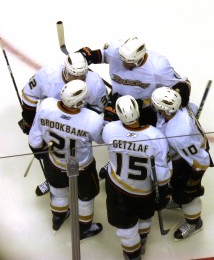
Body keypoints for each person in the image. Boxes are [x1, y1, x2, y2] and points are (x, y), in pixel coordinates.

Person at [77, 37, 191, 178]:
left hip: (145, 110)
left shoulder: (158, 67)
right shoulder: (116, 51)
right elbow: (100, 55)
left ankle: (143, 164)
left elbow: (183, 85)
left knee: (139, 141)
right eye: (122, 59)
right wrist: (86, 56)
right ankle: (116, 162)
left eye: (128, 62)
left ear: (139, 59)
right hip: (118, 103)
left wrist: (146, 102)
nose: (123, 63)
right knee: (117, 137)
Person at [19, 52, 108, 196]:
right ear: (65, 71)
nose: (79, 79)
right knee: (54, 156)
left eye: (83, 75)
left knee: (76, 156)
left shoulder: (95, 83)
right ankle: (53, 179)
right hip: (52, 124)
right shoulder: (48, 74)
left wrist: (83, 121)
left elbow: (99, 108)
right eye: (75, 75)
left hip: (77, 127)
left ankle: (60, 181)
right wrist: (29, 121)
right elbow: (30, 94)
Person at [28, 79, 104, 238]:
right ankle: (84, 229)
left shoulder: (47, 105)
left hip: (55, 161)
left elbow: (34, 139)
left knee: (58, 192)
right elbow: (101, 139)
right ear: (81, 101)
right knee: (86, 198)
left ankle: (58, 217)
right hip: (80, 165)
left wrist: (37, 150)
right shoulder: (92, 119)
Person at [102, 95, 172, 260]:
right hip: (145, 190)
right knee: (145, 215)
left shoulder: (110, 129)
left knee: (125, 229)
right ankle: (142, 239)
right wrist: (163, 191)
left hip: (117, 188)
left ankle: (133, 255)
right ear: (139, 112)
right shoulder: (155, 136)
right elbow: (162, 172)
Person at [151, 86, 213, 240]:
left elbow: (200, 158)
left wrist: (194, 179)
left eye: (156, 105)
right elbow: (192, 104)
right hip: (180, 156)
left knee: (187, 195)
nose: (153, 106)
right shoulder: (183, 107)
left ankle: (194, 223)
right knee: (176, 188)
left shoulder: (178, 133)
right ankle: (178, 201)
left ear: (165, 110)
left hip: (190, 162)